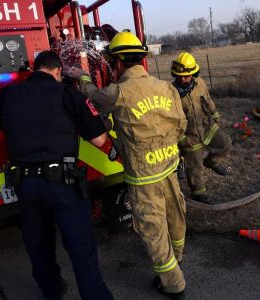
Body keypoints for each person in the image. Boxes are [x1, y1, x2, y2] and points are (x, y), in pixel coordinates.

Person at [68, 31, 187, 299]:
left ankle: (173, 282)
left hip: (143, 176)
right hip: (169, 166)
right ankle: (177, 256)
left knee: (151, 226)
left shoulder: (117, 93)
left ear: (118, 63)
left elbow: (92, 96)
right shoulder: (166, 88)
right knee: (175, 214)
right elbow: (181, 125)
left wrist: (82, 77)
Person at [0, 51, 114, 300]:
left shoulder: (8, 94)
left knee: (38, 246)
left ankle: (53, 290)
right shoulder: (68, 94)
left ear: (35, 69)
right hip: (63, 184)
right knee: (81, 248)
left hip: (24, 185)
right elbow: (99, 139)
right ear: (58, 71)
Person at [170, 52, 232, 204]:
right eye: (178, 76)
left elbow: (208, 99)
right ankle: (199, 194)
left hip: (206, 126)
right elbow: (170, 120)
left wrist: (215, 114)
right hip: (189, 136)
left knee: (225, 143)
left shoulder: (200, 83)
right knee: (195, 166)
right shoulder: (171, 93)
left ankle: (211, 163)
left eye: (186, 76)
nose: (182, 79)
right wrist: (182, 138)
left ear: (193, 73)